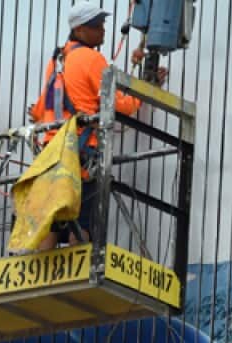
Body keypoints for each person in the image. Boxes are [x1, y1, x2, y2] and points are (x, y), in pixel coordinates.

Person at [29, 0, 166, 250]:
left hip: (51, 152)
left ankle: (45, 281)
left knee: (52, 220)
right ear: (80, 30)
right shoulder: (92, 59)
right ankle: (74, 281)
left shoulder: (57, 59)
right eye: (97, 25)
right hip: (80, 155)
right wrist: (145, 90)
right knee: (80, 224)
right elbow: (120, 105)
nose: (102, 30)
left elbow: (42, 106)